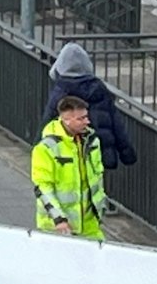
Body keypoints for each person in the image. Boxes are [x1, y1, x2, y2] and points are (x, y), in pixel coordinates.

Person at [43, 43, 136, 171]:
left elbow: (47, 123)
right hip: (99, 152)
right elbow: (117, 124)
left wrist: (38, 150)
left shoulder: (61, 92)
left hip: (69, 155)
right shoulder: (100, 90)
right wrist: (127, 153)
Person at [33, 95, 107, 239]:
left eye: (86, 117)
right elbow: (43, 187)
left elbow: (97, 178)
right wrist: (58, 218)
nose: (87, 121)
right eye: (81, 119)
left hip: (90, 224)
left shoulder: (92, 141)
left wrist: (100, 208)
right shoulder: (46, 148)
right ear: (66, 120)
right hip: (58, 227)